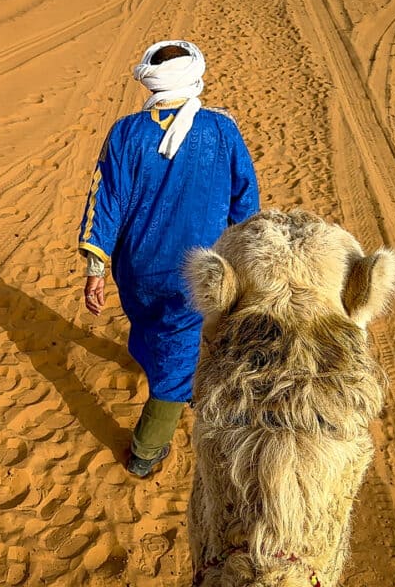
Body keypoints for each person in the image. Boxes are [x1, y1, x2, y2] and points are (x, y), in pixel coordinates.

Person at [77, 40, 260, 477]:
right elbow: (245, 200)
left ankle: (167, 374)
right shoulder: (221, 130)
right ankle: (146, 450)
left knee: (153, 328)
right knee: (177, 357)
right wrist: (245, 259)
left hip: (136, 269)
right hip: (199, 273)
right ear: (195, 72)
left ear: (150, 77)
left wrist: (96, 268)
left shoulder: (126, 131)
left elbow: (106, 199)